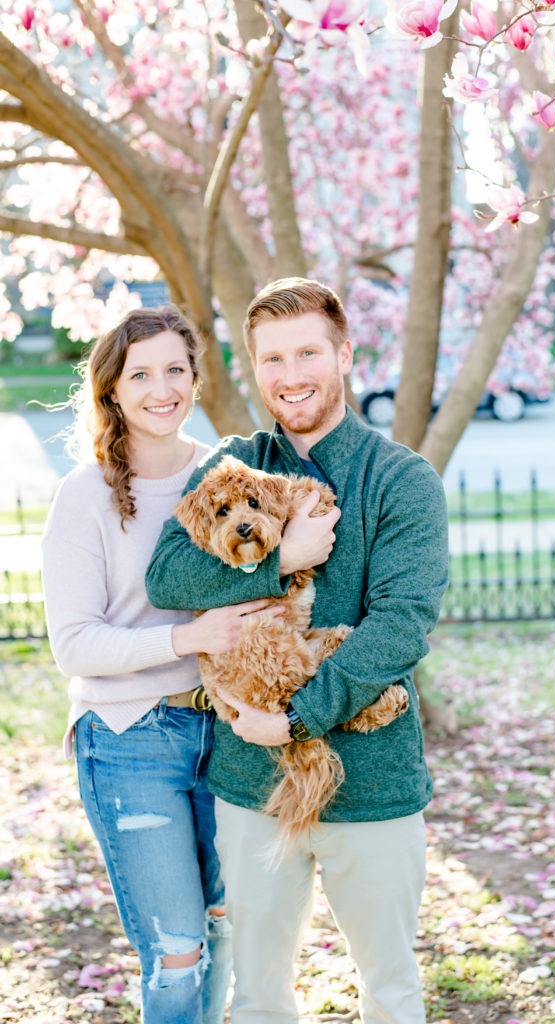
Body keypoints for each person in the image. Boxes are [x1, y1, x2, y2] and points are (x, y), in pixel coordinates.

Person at [146, 278, 450, 1024]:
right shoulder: (234, 464)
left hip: (371, 787)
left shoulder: (401, 481)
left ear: (344, 353)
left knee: (390, 991)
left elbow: (400, 625)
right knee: (256, 998)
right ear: (254, 367)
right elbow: (167, 575)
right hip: (250, 786)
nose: (290, 376)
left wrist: (300, 717)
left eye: (307, 352)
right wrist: (278, 560)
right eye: (272, 358)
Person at [41, 306, 280, 1024]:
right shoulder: (84, 497)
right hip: (127, 737)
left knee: (225, 922)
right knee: (176, 951)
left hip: (230, 728)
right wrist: (187, 639)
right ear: (112, 389)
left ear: (196, 379)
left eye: (176, 369)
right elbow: (73, 646)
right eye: (140, 374)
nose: (161, 388)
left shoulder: (221, 476)